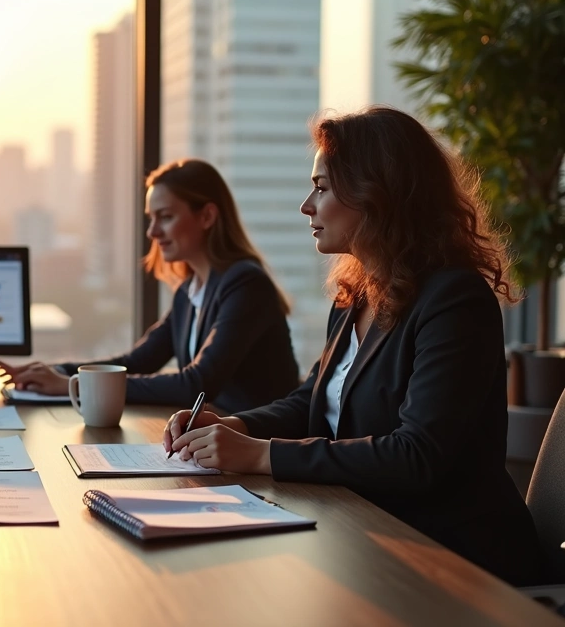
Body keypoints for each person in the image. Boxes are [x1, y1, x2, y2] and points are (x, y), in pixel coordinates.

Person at [164, 107, 542, 585]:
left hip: (451, 560)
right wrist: (228, 425)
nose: (306, 205)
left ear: (376, 193)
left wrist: (259, 454)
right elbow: (312, 402)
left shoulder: (453, 300)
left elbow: (416, 455)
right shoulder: (357, 295)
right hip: (364, 532)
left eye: (322, 188)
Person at [0, 159, 299, 414]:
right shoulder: (190, 291)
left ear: (207, 216)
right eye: (151, 218)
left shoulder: (246, 284)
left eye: (165, 217)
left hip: (258, 452)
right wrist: (56, 372)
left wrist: (73, 385)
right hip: (214, 445)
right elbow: (137, 361)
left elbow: (197, 384)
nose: (153, 231)